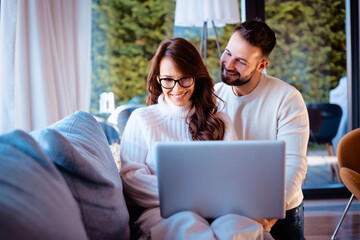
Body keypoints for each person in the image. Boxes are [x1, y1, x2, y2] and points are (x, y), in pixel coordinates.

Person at [119, 38, 266, 239]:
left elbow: (235, 175)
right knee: (190, 227)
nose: (177, 89)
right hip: (162, 213)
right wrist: (191, 196)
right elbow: (131, 180)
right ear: (157, 79)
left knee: (238, 229)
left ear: (197, 78)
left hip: (219, 210)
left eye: (185, 78)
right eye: (168, 80)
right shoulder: (142, 119)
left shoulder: (221, 121)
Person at [215, 19, 309, 240]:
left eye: (240, 61)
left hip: (280, 206)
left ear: (261, 66)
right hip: (229, 205)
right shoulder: (212, 96)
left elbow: (294, 165)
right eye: (228, 53)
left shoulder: (287, 99)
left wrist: (270, 211)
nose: (228, 65)